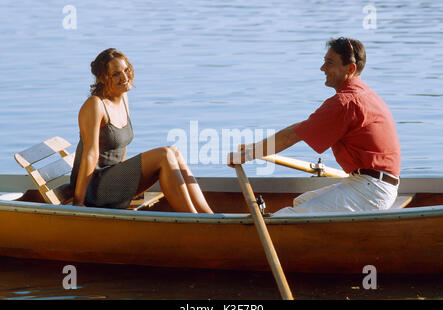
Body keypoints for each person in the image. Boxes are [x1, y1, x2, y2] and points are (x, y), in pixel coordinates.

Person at [228, 37, 401, 213]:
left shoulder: (345, 102)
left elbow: (291, 137)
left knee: (290, 217)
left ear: (350, 68)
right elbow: (301, 128)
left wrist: (248, 155)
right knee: (301, 202)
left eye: (329, 62)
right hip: (370, 184)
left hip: (371, 190)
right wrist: (253, 148)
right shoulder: (362, 94)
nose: (322, 68)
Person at [70, 48, 213, 213]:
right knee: (164, 155)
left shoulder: (124, 99)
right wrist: (79, 201)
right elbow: (90, 154)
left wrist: (125, 177)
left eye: (126, 70)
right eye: (116, 74)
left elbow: (121, 147)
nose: (124, 77)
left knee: (174, 152)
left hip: (112, 179)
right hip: (93, 188)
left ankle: (209, 217)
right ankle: (193, 220)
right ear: (103, 78)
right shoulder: (95, 105)